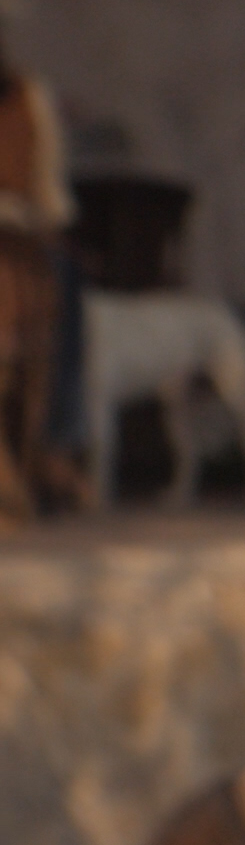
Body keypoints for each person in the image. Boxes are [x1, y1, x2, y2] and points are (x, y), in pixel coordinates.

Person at [0, 29, 69, 523]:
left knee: (65, 300)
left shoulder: (26, 93)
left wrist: (42, 216)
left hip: (19, 223)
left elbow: (45, 171)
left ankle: (56, 450)